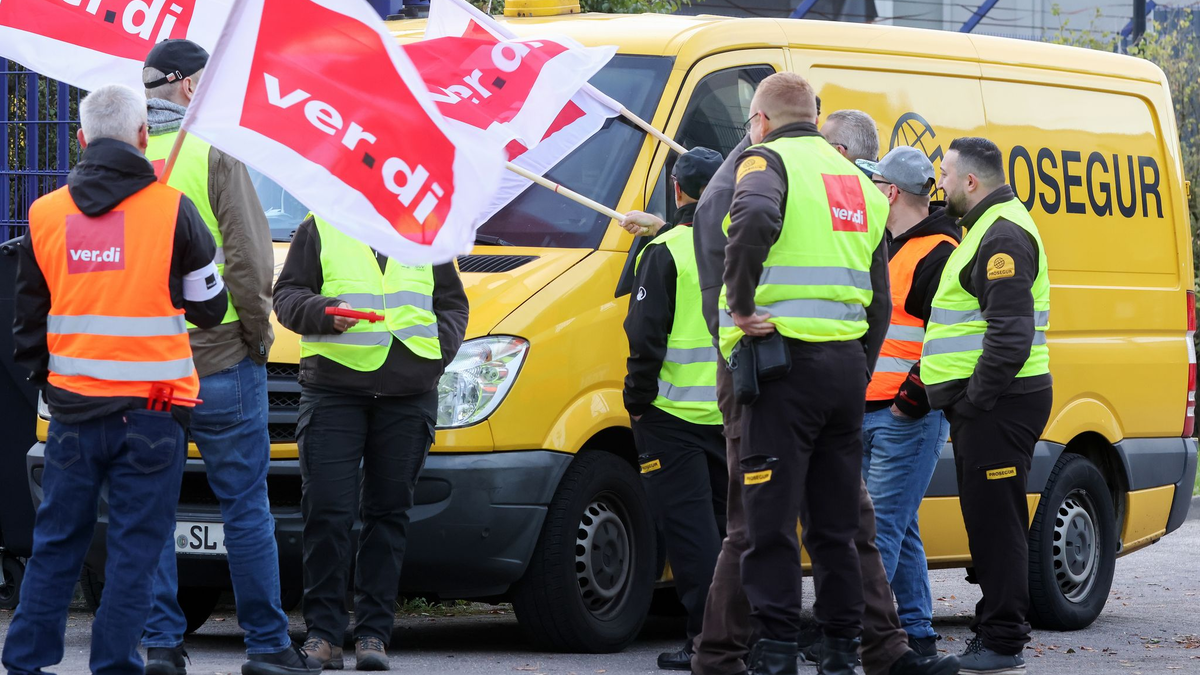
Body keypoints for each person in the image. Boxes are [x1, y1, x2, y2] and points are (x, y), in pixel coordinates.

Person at [629, 104, 957, 675]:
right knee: (828, 523)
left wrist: (739, 309)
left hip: (768, 371)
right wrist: (858, 363)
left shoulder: (766, 164)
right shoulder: (846, 183)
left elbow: (737, 229)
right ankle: (844, 649)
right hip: (826, 374)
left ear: (759, 118)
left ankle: (770, 650)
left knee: (770, 523)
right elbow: (876, 295)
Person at [1, 84, 228, 675]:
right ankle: (115, 668)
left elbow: (28, 320)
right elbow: (211, 307)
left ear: (81, 140)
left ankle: (25, 663)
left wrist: (47, 385)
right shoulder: (174, 209)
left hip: (74, 414)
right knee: (135, 553)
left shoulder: (46, 215)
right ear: (144, 137)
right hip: (154, 413)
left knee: (57, 545)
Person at [135, 39, 315, 675]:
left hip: (142, 368)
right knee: (243, 503)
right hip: (218, 360)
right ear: (188, 88)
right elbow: (247, 257)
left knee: (151, 507)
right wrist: (259, 334)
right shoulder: (213, 150)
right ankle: (267, 645)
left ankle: (160, 644)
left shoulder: (119, 157)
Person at [273, 214, 469, 671]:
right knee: (326, 511)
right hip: (334, 392)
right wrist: (323, 312)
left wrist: (435, 354)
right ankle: (323, 634)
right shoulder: (321, 222)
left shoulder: (427, 230)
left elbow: (452, 305)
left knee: (389, 514)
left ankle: (374, 636)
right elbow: (286, 297)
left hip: (408, 395)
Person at [925, 137, 1052, 675]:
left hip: (999, 404)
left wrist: (973, 402)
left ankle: (1002, 640)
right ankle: (997, 630)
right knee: (990, 521)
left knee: (996, 526)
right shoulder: (986, 227)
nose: (941, 185)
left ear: (971, 182)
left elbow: (1010, 337)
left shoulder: (1000, 236)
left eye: (947, 176)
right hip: (996, 404)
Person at [623, 147, 728, 671]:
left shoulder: (665, 250)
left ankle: (708, 640)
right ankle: (739, 634)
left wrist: (636, 400)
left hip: (673, 414)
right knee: (729, 529)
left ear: (677, 186)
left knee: (690, 533)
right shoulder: (743, 242)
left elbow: (645, 335)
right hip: (733, 411)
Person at [855, 147, 961, 656]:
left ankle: (854, 632)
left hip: (905, 414)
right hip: (872, 408)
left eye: (876, 185)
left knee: (878, 530)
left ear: (891, 192)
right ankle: (917, 633)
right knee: (902, 525)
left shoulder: (939, 251)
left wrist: (912, 400)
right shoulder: (884, 243)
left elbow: (950, 337)